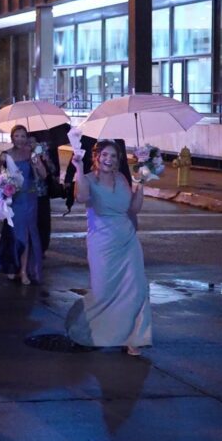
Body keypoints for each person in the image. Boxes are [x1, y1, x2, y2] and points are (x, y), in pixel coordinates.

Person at [66, 140, 152, 356]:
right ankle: (85, 328)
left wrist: (141, 184)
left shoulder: (122, 178)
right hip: (102, 243)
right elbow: (81, 197)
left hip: (128, 240)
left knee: (138, 289)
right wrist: (77, 166)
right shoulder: (87, 179)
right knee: (104, 292)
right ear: (96, 157)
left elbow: (134, 208)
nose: (109, 160)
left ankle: (134, 337)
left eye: (113, 156)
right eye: (105, 155)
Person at [0, 124, 47, 286]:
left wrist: (37, 163)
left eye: (23, 136)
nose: (20, 139)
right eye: (17, 136)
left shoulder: (32, 154)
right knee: (14, 234)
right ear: (12, 137)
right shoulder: (6, 154)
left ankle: (24, 270)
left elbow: (43, 175)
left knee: (27, 234)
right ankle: (12, 265)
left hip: (29, 198)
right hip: (13, 199)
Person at [28, 134, 60, 253]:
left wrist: (45, 159)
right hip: (26, 193)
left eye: (33, 142)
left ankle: (42, 247)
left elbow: (52, 170)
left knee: (42, 222)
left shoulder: (42, 150)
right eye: (28, 142)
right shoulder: (22, 152)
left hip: (42, 192)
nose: (30, 145)